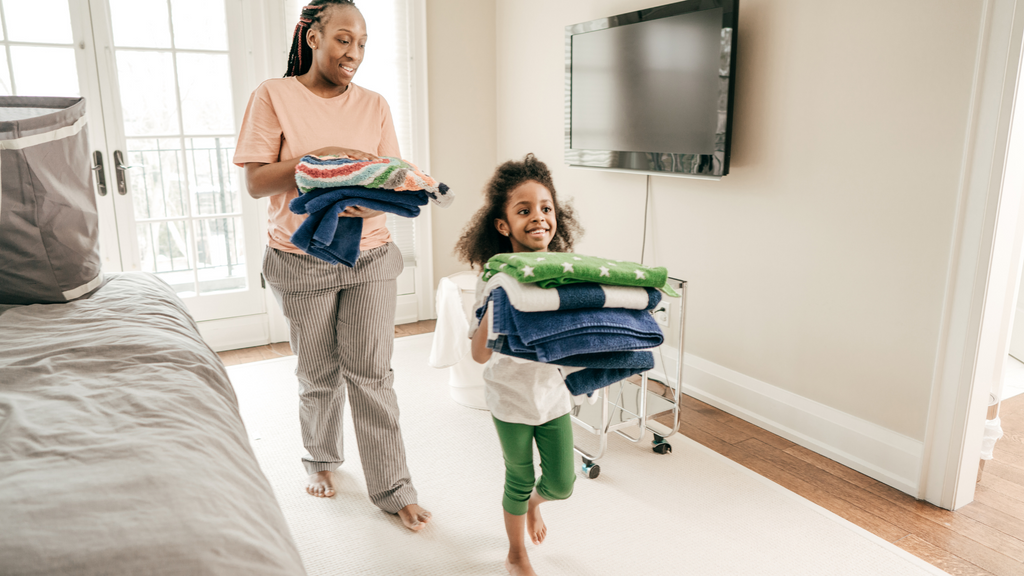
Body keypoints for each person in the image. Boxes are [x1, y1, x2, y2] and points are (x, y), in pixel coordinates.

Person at [232, 0, 430, 532]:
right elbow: (255, 182)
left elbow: (388, 178)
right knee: (319, 373)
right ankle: (320, 457)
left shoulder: (376, 104)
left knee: (372, 375)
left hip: (371, 254)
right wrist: (324, 161)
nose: (354, 53)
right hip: (301, 259)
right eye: (344, 39)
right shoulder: (273, 95)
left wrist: (364, 193)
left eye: (363, 43)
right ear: (312, 35)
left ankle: (393, 486)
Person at [454, 154, 584, 576]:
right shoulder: (492, 278)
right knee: (518, 477)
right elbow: (478, 353)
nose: (538, 218)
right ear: (503, 224)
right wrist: (499, 297)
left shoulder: (563, 276)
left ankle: (535, 505)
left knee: (562, 483)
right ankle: (516, 553)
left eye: (546, 208)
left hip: (552, 396)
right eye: (524, 210)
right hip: (510, 397)